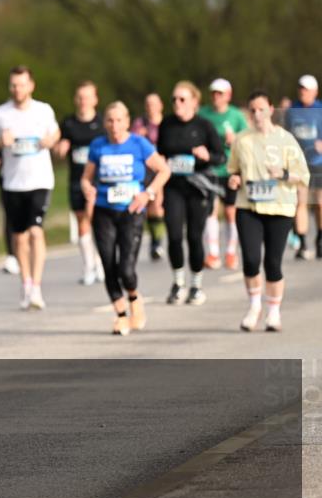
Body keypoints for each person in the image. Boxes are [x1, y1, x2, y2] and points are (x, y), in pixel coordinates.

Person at [81, 102, 170, 335]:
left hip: (131, 211)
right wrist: (87, 188)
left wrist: (147, 194)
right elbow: (86, 178)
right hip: (103, 211)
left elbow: (164, 171)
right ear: (104, 123)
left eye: (119, 120)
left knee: (126, 269)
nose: (114, 125)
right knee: (109, 265)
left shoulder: (139, 144)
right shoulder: (98, 145)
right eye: (110, 120)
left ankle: (134, 298)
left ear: (127, 122)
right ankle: (121, 315)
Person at [228, 91, 310, 331]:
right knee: (251, 260)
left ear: (271, 110)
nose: (257, 114)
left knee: (273, 263)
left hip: (280, 207)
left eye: (261, 109)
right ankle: (254, 306)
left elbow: (303, 176)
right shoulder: (242, 140)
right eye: (252, 110)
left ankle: (273, 311)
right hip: (249, 206)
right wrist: (234, 179)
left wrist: (283, 174)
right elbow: (233, 170)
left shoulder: (286, 140)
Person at [0, 65, 61, 310]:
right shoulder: (0, 113)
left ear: (31, 85)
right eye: (13, 85)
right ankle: (26, 283)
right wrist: (0, 142)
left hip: (39, 180)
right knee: (18, 236)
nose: (17, 89)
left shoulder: (43, 110)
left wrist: (51, 140)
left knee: (36, 232)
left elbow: (55, 133)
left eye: (21, 84)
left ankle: (37, 287)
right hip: (13, 182)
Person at [158, 81, 225, 305]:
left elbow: (220, 157)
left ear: (195, 102)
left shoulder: (204, 126)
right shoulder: (166, 125)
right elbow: (159, 156)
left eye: (182, 99)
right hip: (174, 187)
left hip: (198, 188)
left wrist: (207, 156)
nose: (177, 103)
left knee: (194, 237)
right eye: (174, 99)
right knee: (174, 236)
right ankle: (178, 282)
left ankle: (196, 285)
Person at [56, 81, 105, 285]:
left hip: (99, 181)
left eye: (87, 97)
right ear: (76, 100)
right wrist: (60, 147)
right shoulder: (68, 123)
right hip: (77, 179)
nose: (83, 101)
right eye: (80, 97)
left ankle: (101, 264)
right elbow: (58, 148)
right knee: (81, 221)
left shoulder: (102, 123)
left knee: (98, 221)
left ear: (95, 99)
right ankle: (88, 267)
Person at [198, 78, 249, 270]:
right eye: (213, 93)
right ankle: (212, 253)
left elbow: (248, 141)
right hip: (210, 168)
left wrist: (235, 139)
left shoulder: (236, 116)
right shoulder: (203, 114)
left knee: (230, 211)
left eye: (220, 93)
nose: (216, 97)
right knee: (210, 210)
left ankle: (230, 251)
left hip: (230, 168)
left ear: (228, 95)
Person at [284, 74, 322, 260]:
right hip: (299, 163)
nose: (303, 92)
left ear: (315, 91)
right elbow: (286, 134)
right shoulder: (292, 110)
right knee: (300, 202)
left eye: (306, 89)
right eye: (301, 88)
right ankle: (302, 243)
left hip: (318, 163)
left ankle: (320, 240)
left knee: (320, 204)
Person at [131, 93, 167, 260]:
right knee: (151, 205)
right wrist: (140, 135)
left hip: (162, 168)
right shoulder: (140, 124)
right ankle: (154, 240)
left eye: (154, 103)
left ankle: (157, 241)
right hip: (145, 169)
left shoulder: (166, 124)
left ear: (160, 105)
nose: (150, 107)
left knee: (158, 204)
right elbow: (130, 142)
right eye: (148, 103)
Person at [0, 151, 20, 275]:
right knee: (10, 218)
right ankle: (11, 256)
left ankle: (26, 253)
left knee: (28, 223)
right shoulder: (5, 130)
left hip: (32, 182)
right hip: (8, 182)